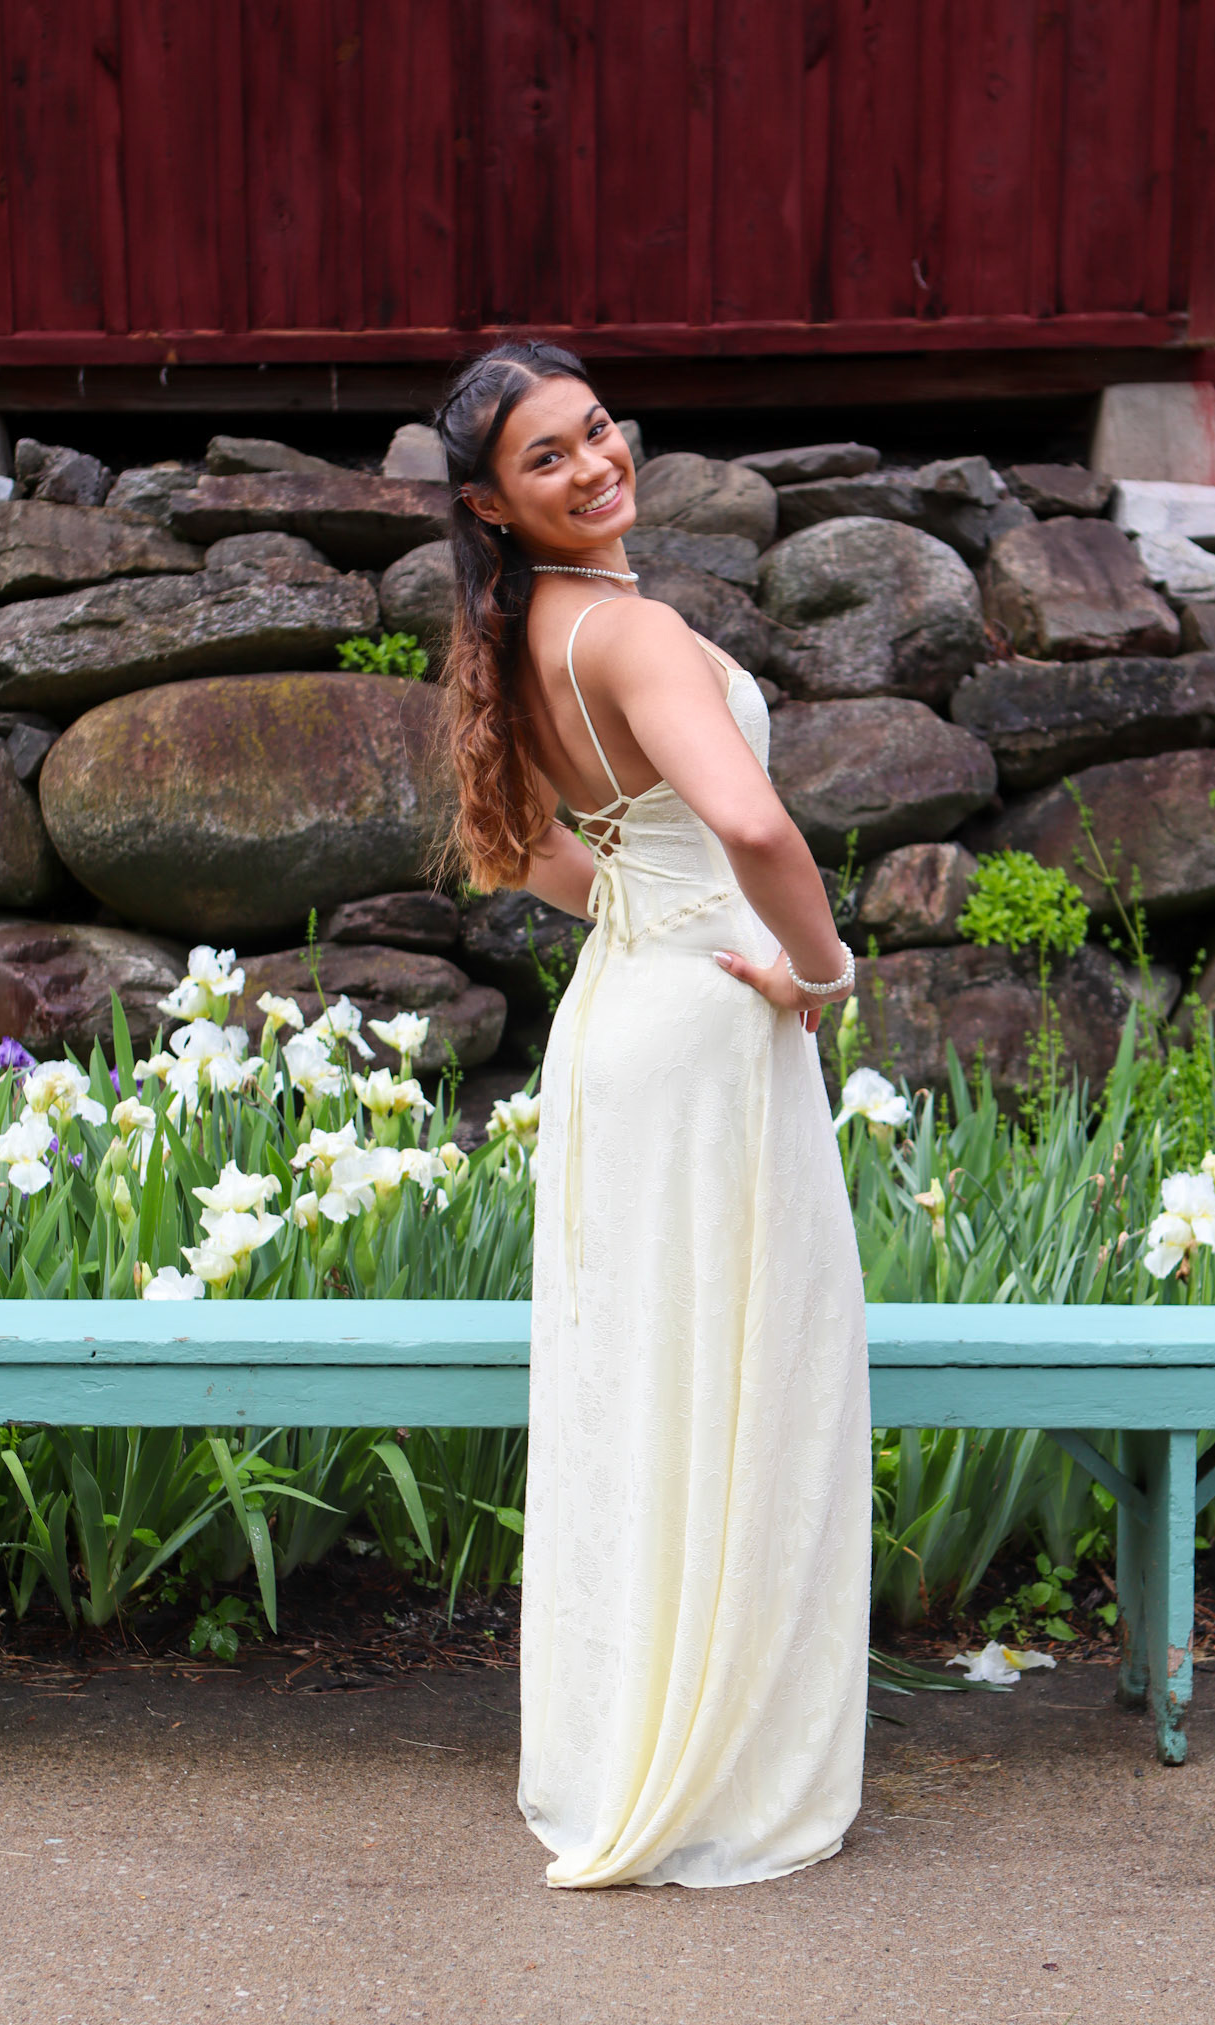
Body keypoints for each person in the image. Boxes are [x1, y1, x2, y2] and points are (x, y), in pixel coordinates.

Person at [433, 339, 871, 1890]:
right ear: (491, 504)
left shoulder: (522, 637)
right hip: (708, 1023)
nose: (592, 463)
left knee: (643, 1385)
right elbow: (749, 820)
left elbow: (531, 852)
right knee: (743, 1378)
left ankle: (628, 1749)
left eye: (595, 429)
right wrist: (821, 972)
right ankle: (720, 1773)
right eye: (545, 456)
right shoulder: (627, 629)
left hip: (625, 1015)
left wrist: (649, 910)